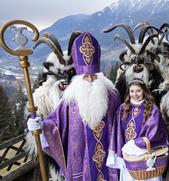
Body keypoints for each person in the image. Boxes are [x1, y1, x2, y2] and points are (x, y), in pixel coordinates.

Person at [27, 32, 120, 181]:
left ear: (99, 75)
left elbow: (123, 122)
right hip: (80, 162)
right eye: (86, 76)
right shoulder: (69, 100)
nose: (90, 79)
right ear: (79, 77)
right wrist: (40, 125)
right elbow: (54, 124)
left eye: (93, 76)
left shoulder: (113, 97)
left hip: (108, 160)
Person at [106, 78, 169, 181]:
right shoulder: (122, 109)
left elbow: (155, 133)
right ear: (128, 92)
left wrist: (136, 143)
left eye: (138, 91)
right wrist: (120, 151)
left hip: (147, 157)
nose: (135, 94)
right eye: (132, 91)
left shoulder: (153, 109)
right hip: (129, 158)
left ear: (144, 91)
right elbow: (116, 132)